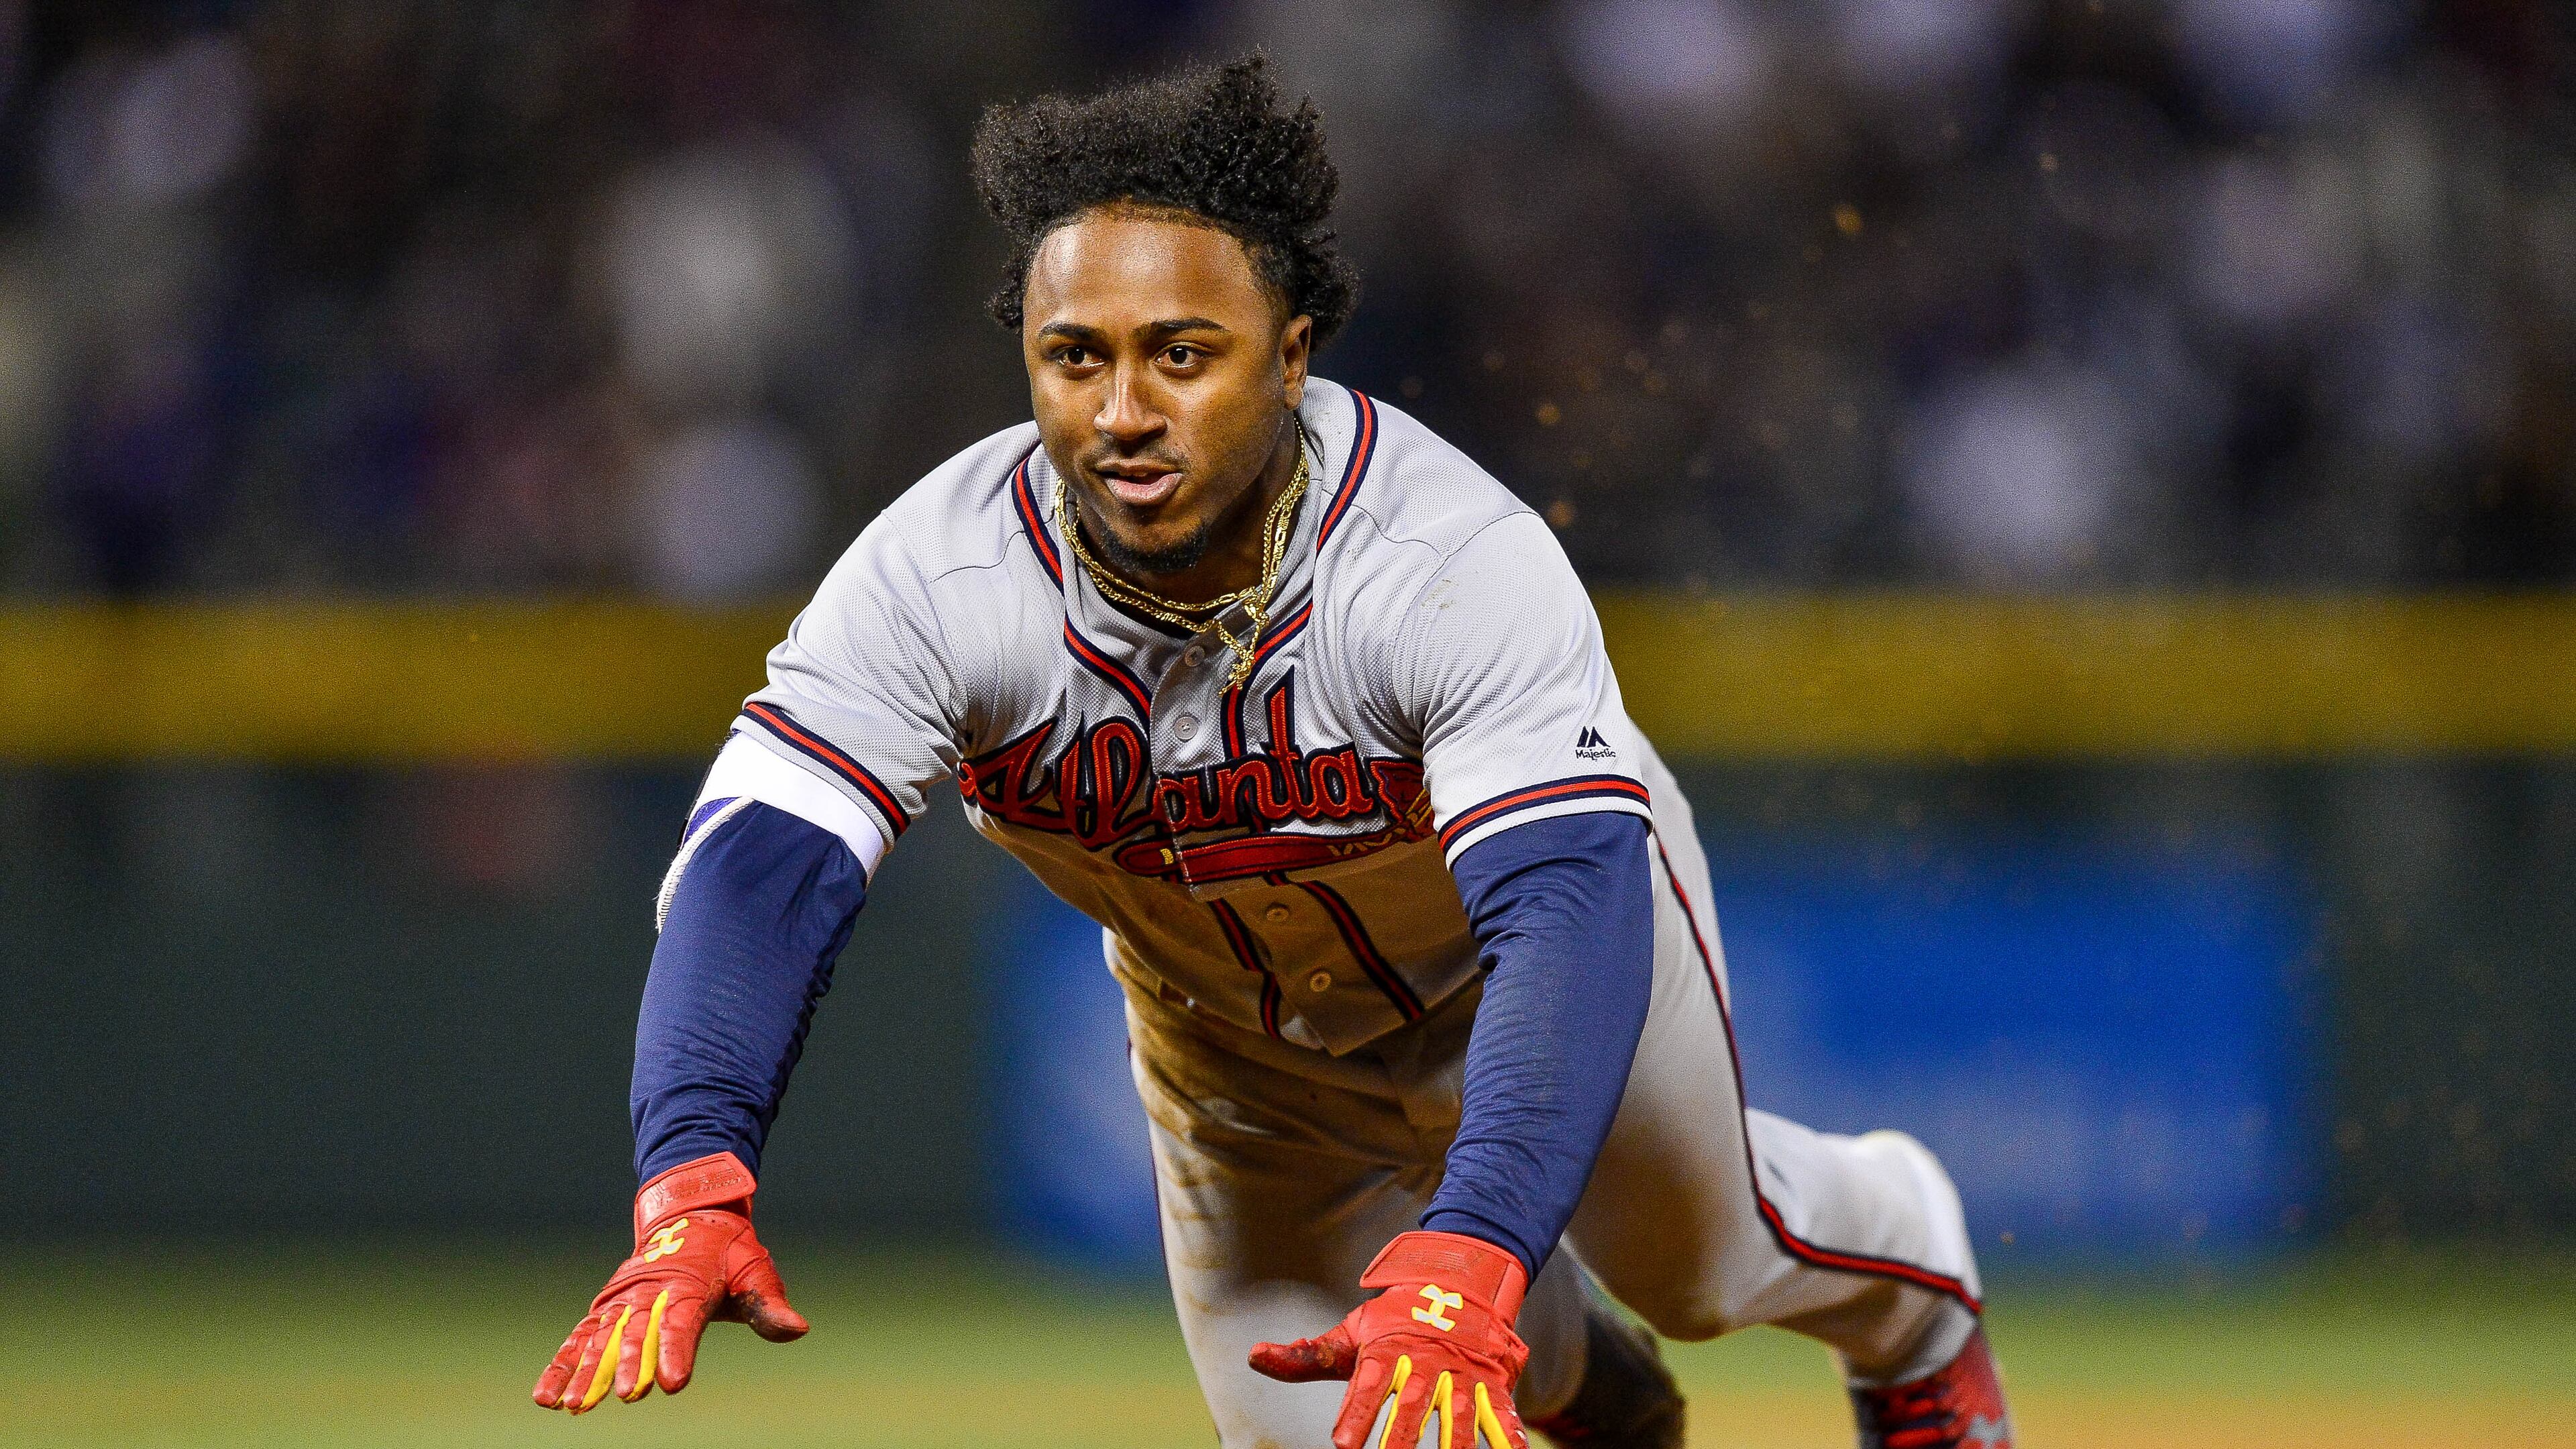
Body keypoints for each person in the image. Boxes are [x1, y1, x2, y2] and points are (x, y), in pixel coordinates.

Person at [531, 56, 2013, 1449]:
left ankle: (1912, 1286)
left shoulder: (1443, 559)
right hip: (1240, 1068)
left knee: (1708, 1264)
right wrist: (691, 1171)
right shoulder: (941, 577)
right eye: (1074, 357)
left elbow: (1564, 908)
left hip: (1522, 979)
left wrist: (1483, 1243)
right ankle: (1580, 1371)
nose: (1121, 411)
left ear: (1290, 354)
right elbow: (759, 867)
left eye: (1183, 354)